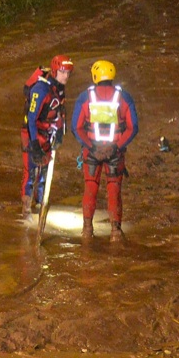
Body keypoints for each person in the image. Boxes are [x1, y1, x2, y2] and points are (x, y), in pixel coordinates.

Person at [72, 60, 138, 243]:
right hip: (115, 152)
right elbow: (133, 127)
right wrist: (116, 146)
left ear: (95, 76)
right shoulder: (124, 97)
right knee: (114, 190)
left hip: (92, 152)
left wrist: (91, 146)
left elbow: (76, 127)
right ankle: (115, 232)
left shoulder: (85, 97)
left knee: (90, 188)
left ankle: (87, 230)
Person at [22, 55, 73, 217]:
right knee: (30, 172)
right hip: (32, 133)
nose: (66, 76)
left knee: (44, 172)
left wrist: (59, 133)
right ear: (55, 71)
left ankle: (41, 205)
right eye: (63, 72)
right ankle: (26, 209)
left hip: (48, 134)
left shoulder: (59, 89)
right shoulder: (41, 89)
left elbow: (60, 113)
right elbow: (31, 118)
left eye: (68, 73)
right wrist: (35, 144)